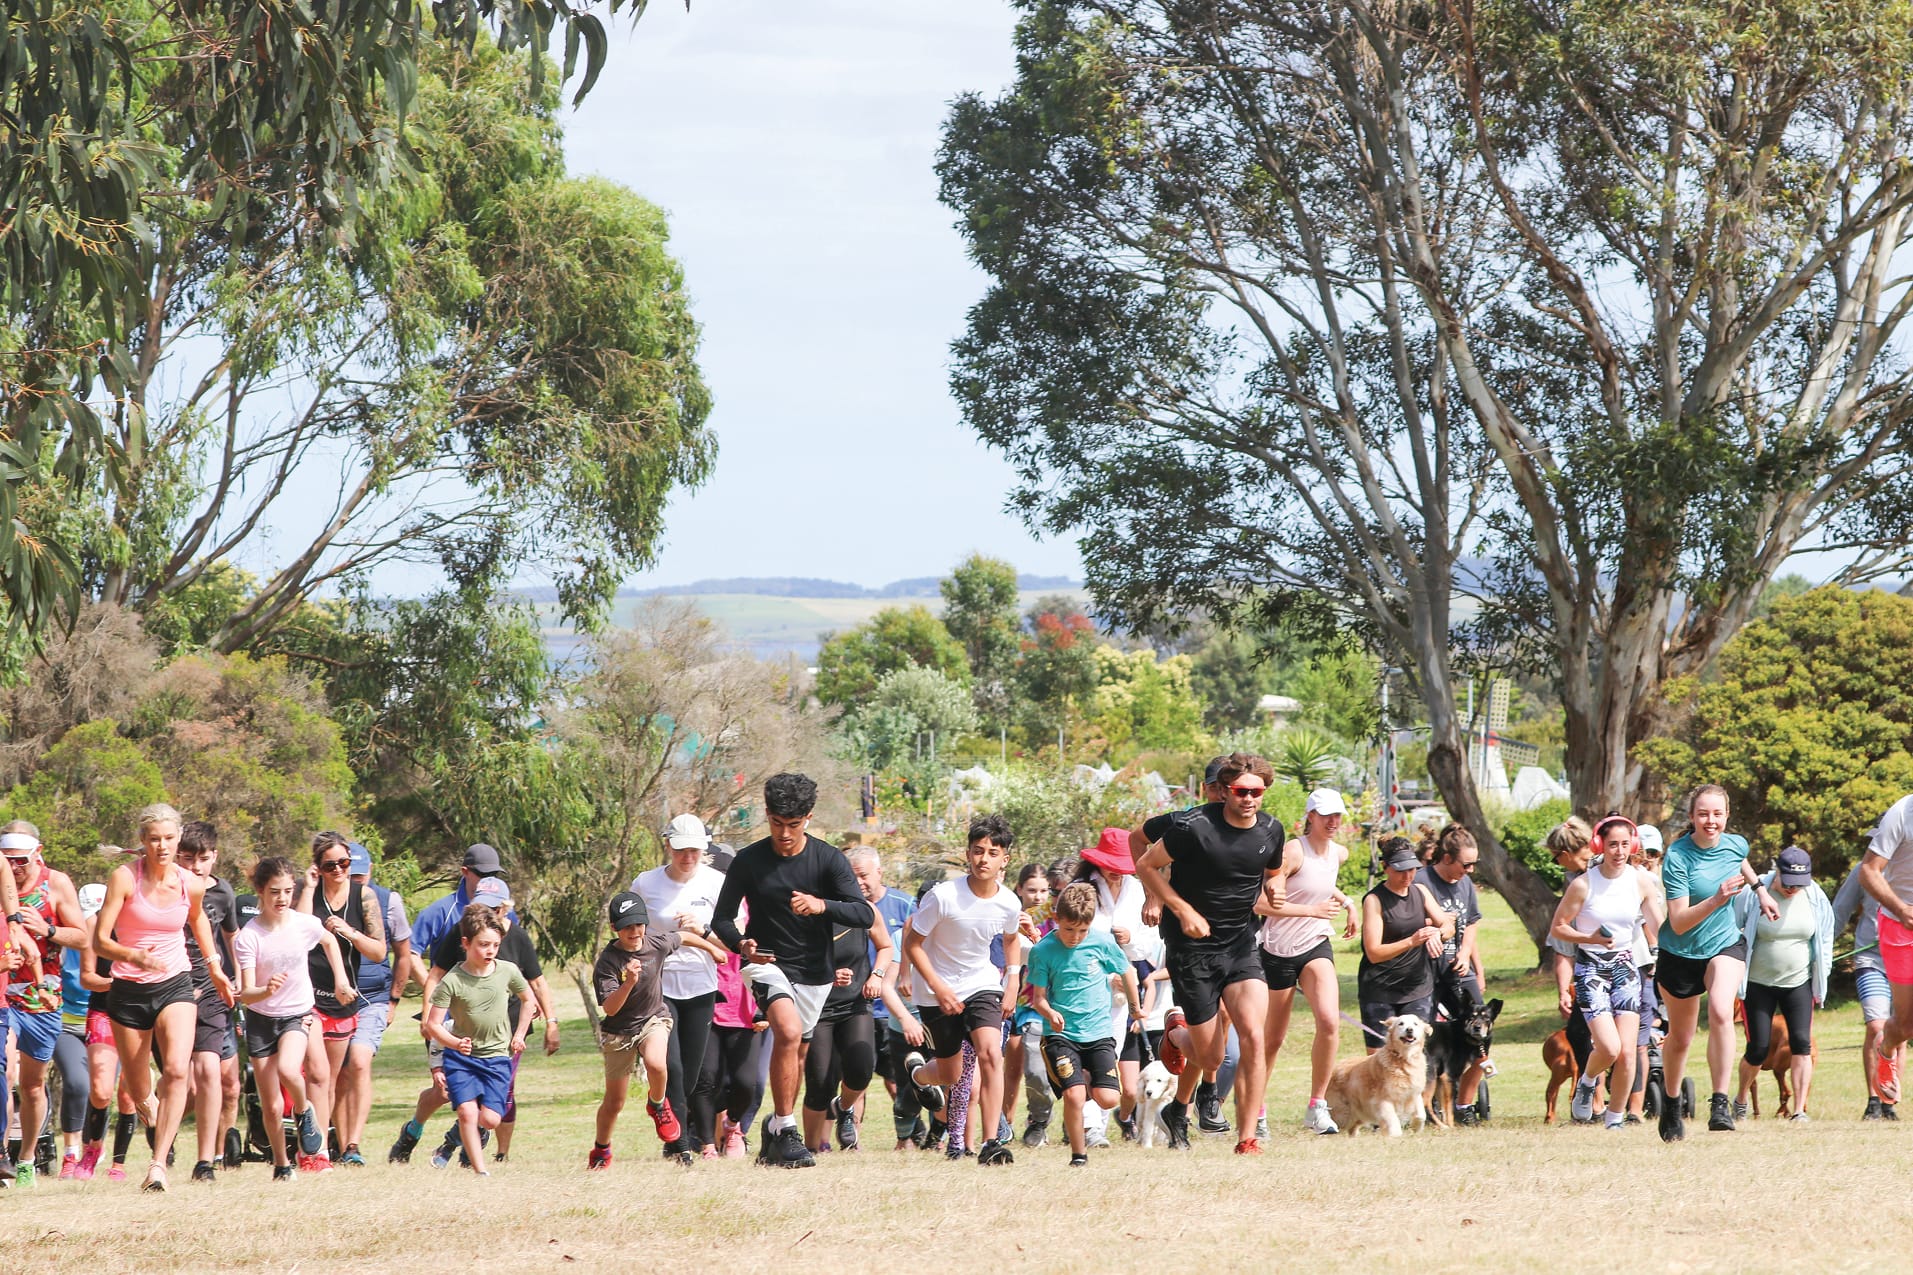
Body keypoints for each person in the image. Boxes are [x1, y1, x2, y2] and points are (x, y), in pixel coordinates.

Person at [710, 772, 874, 1169]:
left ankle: (770, 1133)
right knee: (784, 1030)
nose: (784, 834)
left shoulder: (828, 859)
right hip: (765, 964)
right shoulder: (748, 860)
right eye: (777, 824)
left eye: (794, 825)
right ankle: (786, 1129)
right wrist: (740, 945)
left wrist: (822, 905)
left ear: (808, 818)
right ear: (767, 815)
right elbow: (723, 919)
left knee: (796, 1051)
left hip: (815, 973)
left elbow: (864, 913)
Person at [1131, 752, 1282, 1154]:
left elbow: (1272, 869)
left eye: (1256, 791)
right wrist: (1178, 908)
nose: (1249, 798)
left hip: (1239, 946)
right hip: (1192, 949)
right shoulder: (1192, 827)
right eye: (1240, 791)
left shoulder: (1272, 830)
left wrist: (1275, 886)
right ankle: (1176, 1036)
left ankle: (1247, 1138)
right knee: (1212, 1057)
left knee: (1253, 1035)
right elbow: (1146, 863)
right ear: (1226, 792)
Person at [91, 803, 232, 1191]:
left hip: (175, 982)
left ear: (178, 838)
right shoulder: (124, 878)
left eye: (169, 838)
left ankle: (158, 1166)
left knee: (176, 1070)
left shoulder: (191, 882)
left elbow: (198, 918)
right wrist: (132, 954)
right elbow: (100, 941)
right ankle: (150, 1109)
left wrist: (215, 965)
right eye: (155, 839)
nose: (162, 845)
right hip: (128, 991)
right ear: (143, 842)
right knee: (140, 1093)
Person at [901, 813, 1026, 1167]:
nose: (983, 859)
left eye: (992, 852)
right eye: (977, 851)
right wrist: (938, 987)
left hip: (981, 984)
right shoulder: (943, 897)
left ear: (1005, 859)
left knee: (991, 1054)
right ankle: (919, 1075)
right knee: (951, 1074)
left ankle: (990, 1143)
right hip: (936, 991)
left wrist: (1012, 980)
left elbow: (1012, 939)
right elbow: (912, 944)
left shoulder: (1008, 902)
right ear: (968, 854)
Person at [1656, 784, 1776, 1141]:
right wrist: (1717, 899)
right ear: (1692, 816)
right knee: (1680, 1038)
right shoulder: (1677, 857)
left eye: (1718, 814)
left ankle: (1720, 1103)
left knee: (1723, 1010)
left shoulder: (1737, 843)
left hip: (1724, 943)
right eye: (1704, 814)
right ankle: (1672, 1102)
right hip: (1680, 953)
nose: (1711, 821)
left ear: (1727, 816)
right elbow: (1678, 921)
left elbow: (1739, 861)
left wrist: (1760, 890)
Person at [414, 878, 554, 1167]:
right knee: (467, 1107)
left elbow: (535, 985)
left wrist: (545, 1023)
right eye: (482, 906)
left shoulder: (517, 944)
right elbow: (436, 977)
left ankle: (474, 1145)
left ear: (505, 909)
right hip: (466, 1043)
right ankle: (470, 1158)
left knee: (492, 1111)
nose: (489, 913)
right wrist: (432, 1019)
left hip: (506, 1040)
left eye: (495, 908)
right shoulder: (461, 937)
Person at [233, 855, 354, 1180]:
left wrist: (341, 980)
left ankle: (303, 1110)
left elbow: (329, 941)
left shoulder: (303, 923)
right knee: (271, 1105)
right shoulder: (249, 937)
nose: (282, 898)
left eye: (287, 890)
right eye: (275, 892)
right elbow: (245, 992)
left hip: (297, 1013)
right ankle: (281, 1165)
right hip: (261, 1019)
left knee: (289, 1068)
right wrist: (265, 989)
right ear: (260, 891)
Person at [1548, 815, 1662, 1129]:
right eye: (1613, 844)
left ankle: (1615, 1121)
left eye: (1626, 844)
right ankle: (1587, 1082)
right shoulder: (1584, 884)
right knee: (1609, 1048)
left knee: (1627, 1052)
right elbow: (1558, 928)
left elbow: (1658, 924)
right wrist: (1591, 938)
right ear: (1600, 844)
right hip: (1592, 968)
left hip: (1626, 965)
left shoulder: (1640, 880)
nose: (1619, 851)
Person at [1256, 787, 1356, 1137]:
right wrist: (1311, 910)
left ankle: (1317, 1105)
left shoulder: (1338, 853)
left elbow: (1321, 883)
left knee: (1330, 1022)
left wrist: (1347, 903)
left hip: (1315, 943)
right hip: (1277, 950)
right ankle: (1256, 1109)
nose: (1333, 821)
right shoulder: (1292, 853)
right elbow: (1261, 903)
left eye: (1338, 815)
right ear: (1309, 816)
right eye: (1326, 815)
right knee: (1273, 1039)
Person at [1026, 882, 1143, 1167]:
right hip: (1061, 1034)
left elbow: (1127, 970)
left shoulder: (1102, 942)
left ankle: (1084, 1077)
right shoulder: (1043, 950)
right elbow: (1037, 999)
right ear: (1057, 920)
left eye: (1082, 930)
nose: (1075, 937)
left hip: (1098, 1033)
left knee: (1108, 1099)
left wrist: (1134, 1005)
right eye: (1069, 930)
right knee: (1074, 1096)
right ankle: (1079, 1156)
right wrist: (1049, 1012)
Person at [634, 813, 726, 1157]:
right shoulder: (645, 883)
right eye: (681, 850)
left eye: (695, 851)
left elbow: (732, 941)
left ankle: (675, 1129)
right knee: (668, 1064)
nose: (688, 857)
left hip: (701, 984)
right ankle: (679, 1144)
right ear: (667, 845)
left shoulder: (717, 883)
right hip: (659, 985)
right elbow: (631, 930)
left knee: (689, 1071)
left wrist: (701, 929)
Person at [2, 821, 84, 1186]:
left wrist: (48, 930)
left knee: (33, 1085)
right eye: (6, 860)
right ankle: (1, 1155)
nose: (13, 869)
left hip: (42, 996)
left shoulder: (57, 883)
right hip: (4, 991)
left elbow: (81, 937)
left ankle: (26, 1157)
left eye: (19, 860)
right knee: (5, 1073)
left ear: (38, 852)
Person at [803, 873, 908, 1153]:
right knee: (820, 1080)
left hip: (856, 1003)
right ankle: (810, 1148)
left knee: (861, 1070)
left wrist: (876, 975)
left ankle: (844, 1107)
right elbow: (796, 958)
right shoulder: (811, 911)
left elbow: (885, 946)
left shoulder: (865, 910)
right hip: (819, 1005)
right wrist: (827, 974)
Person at [426, 905, 533, 1178]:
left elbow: (528, 1000)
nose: (490, 951)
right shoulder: (452, 981)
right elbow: (433, 1024)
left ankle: (461, 1143)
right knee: (466, 1112)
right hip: (462, 1058)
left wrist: (519, 1034)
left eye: (495, 945)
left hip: (497, 1057)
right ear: (466, 943)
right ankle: (480, 1172)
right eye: (483, 945)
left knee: (490, 1119)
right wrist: (453, 1043)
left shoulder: (507, 971)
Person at [1733, 846, 1832, 1122]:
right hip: (1758, 982)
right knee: (1758, 1047)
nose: (1793, 889)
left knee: (1802, 1042)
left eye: (1799, 884)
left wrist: (1823, 972)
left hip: (1799, 980)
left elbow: (1824, 935)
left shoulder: (1814, 896)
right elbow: (1733, 925)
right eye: (1788, 883)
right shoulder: (1754, 894)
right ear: (1778, 871)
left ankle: (1799, 1110)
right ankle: (1740, 1099)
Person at [589, 891, 685, 1168]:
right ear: (614, 928)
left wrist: (714, 949)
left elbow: (684, 937)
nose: (635, 931)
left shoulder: (655, 941)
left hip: (653, 1019)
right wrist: (629, 982)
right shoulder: (608, 962)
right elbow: (610, 1008)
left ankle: (657, 1104)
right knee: (614, 1102)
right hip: (619, 1032)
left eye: (639, 924)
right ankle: (601, 1149)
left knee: (657, 1064)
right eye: (627, 926)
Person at [1073, 827, 1157, 1141]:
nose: (1116, 873)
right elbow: (1070, 936)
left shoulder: (1138, 890)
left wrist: (1130, 938)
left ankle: (1097, 1127)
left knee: (1108, 1056)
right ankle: (1085, 1124)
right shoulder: (1081, 889)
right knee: (1083, 1059)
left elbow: (1147, 943)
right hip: (1083, 985)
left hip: (1121, 988)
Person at [339, 840, 413, 1165]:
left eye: (359, 875)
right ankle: (340, 1146)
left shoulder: (388, 901)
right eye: (348, 874)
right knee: (338, 1072)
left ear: (369, 871)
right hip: (332, 998)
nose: (355, 881)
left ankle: (354, 1144)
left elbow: (404, 954)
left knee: (358, 1061)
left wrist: (394, 999)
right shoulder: (325, 901)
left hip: (374, 997)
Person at [849, 848, 928, 1150]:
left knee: (898, 1079)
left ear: (879, 873)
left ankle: (910, 1133)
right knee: (856, 1076)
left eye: (864, 875)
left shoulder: (905, 905)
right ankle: (851, 1140)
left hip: (895, 1010)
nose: (859, 882)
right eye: (853, 876)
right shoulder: (844, 908)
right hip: (857, 1007)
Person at [177, 820, 241, 1181]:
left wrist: (239, 979)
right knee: (177, 1080)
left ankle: (207, 1160)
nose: (196, 866)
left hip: (212, 990)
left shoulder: (223, 893)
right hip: (169, 990)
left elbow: (230, 938)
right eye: (188, 858)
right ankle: (162, 1134)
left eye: (203, 858)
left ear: (214, 857)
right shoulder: (167, 888)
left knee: (212, 1072)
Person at [1418, 824, 1489, 1123]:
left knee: (1483, 1038)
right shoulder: (1421, 880)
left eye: (1475, 864)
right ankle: (1429, 1106)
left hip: (1458, 968)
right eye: (1466, 864)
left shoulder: (1465, 884)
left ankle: (1463, 1105)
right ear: (1446, 858)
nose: (1471, 870)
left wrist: (1464, 954)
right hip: (1425, 972)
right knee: (1427, 1039)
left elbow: (1471, 922)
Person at [1358, 837, 1451, 1054]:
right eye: (1401, 870)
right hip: (1380, 991)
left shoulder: (1420, 892)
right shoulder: (1374, 900)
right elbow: (1373, 952)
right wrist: (1412, 941)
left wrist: (1437, 933)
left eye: (1412, 869)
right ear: (1385, 867)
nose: (1407, 876)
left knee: (1415, 1057)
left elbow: (1448, 924)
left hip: (1417, 988)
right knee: (1380, 1062)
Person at [1833, 855, 1900, 1119]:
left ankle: (1889, 1102)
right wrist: (1823, 950)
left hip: (1905, 957)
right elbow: (1841, 909)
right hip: (1870, 957)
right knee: (1876, 1026)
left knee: (1901, 1031)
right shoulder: (1863, 870)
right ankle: (1874, 1098)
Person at [1860, 793, 1913, 1108]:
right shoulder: (1902, 813)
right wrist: (1902, 909)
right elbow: (1869, 871)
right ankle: (1886, 1048)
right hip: (1900, 925)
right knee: (1905, 1025)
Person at [50, 882, 106, 1178]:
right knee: (76, 1083)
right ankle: (70, 1154)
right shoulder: (63, 942)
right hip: (67, 1024)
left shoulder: (118, 941)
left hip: (107, 1021)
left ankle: (92, 1152)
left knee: (101, 1090)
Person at [1003, 863, 1054, 1147]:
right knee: (1016, 1068)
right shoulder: (1010, 916)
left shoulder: (1057, 917)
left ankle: (1038, 1120)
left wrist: (1035, 933)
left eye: (1044, 891)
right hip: (1017, 1001)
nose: (1038, 897)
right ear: (1019, 888)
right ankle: (1005, 1124)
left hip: (1048, 1003)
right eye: (1032, 890)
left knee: (1041, 1068)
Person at [1546, 818, 1598, 1080]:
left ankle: (1618, 1102)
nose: (1557, 865)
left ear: (1564, 854)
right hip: (1588, 969)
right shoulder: (1574, 879)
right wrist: (1565, 989)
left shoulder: (1605, 869)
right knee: (1579, 1032)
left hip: (1618, 963)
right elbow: (1563, 944)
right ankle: (1595, 1098)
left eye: (1555, 859)